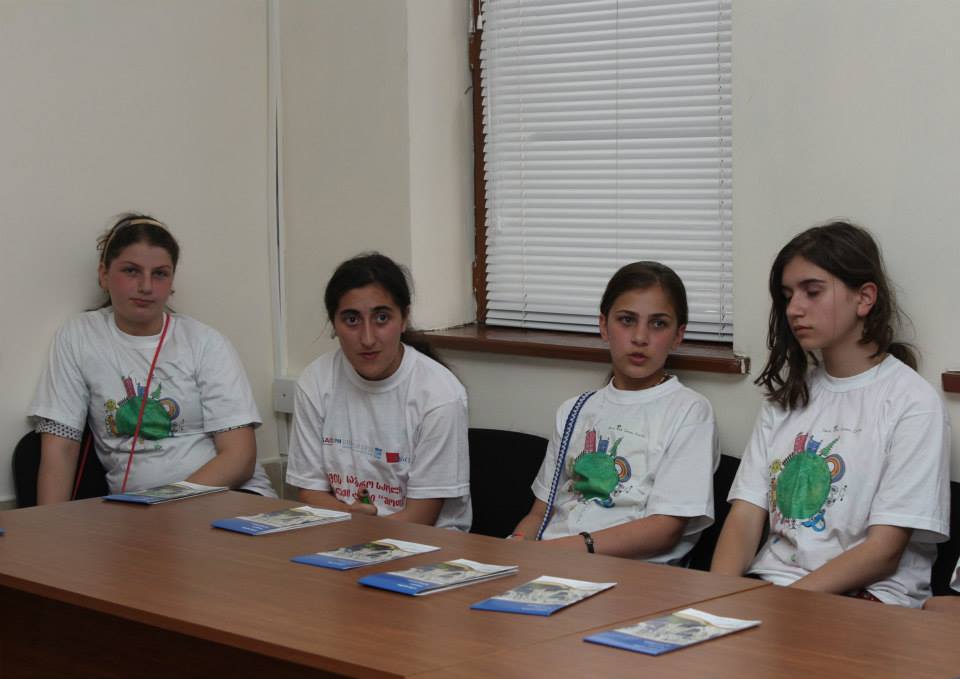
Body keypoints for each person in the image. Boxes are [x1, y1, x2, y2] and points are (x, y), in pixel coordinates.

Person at [711, 221, 949, 607]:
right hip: (772, 589)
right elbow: (744, 518)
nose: (794, 309)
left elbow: (884, 551)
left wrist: (778, 608)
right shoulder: (787, 397)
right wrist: (714, 601)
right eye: (788, 295)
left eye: (812, 291)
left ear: (864, 298)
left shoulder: (912, 402)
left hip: (866, 602)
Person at [30, 213, 276, 501]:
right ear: (104, 275)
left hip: (226, 495)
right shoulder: (79, 336)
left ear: (171, 281)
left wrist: (165, 502)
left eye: (159, 274)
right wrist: (50, 524)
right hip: (139, 513)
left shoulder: (205, 342)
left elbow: (239, 457)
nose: (146, 287)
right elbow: (61, 448)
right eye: (131, 271)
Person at [510, 261, 719, 563]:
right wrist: (515, 546)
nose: (640, 338)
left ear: (678, 335)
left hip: (628, 572)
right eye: (627, 320)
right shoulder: (575, 410)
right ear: (603, 326)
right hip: (552, 559)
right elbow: (539, 513)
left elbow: (665, 529)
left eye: (658, 324)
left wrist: (558, 551)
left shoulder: (689, 411)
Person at [285, 253, 470, 530]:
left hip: (424, 542)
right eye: (351, 320)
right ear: (334, 324)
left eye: (382, 318)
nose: (368, 338)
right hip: (340, 533)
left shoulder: (439, 395)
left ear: (404, 319)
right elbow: (310, 492)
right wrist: (349, 520)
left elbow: (421, 518)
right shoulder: (316, 381)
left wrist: (359, 529)